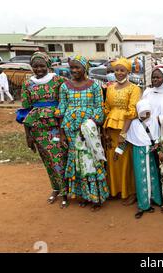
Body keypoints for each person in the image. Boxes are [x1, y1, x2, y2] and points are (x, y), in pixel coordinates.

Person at [58, 55, 109, 211]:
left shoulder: (94, 86)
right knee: (78, 162)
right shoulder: (64, 87)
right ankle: (85, 195)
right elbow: (61, 109)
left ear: (85, 68)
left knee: (91, 161)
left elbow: (99, 108)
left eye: (77, 67)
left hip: (88, 130)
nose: (74, 70)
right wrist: (61, 133)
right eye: (71, 67)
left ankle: (96, 197)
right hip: (70, 129)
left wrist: (89, 126)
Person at [20, 52, 68, 208]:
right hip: (37, 128)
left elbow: (65, 102)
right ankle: (55, 189)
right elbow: (25, 110)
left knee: (59, 159)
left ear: (48, 65)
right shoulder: (28, 84)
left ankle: (66, 191)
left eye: (42, 66)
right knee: (47, 160)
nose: (38, 69)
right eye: (35, 66)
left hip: (55, 127)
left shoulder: (59, 80)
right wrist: (28, 136)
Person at [103, 58, 142, 206]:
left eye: (122, 70)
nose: (119, 73)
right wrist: (105, 130)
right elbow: (106, 108)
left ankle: (129, 192)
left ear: (128, 71)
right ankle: (115, 190)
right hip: (111, 128)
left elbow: (132, 111)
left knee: (126, 161)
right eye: (116, 70)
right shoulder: (111, 88)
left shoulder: (134, 89)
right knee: (113, 160)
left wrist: (123, 133)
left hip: (126, 128)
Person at [126, 99, 162, 219]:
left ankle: (154, 199)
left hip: (150, 152)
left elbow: (157, 137)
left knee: (152, 176)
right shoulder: (134, 124)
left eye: (148, 112)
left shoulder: (154, 121)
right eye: (143, 113)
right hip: (138, 152)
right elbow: (128, 139)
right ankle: (143, 205)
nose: (146, 115)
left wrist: (156, 144)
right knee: (141, 177)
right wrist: (118, 151)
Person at [142, 68, 163, 142]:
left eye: (158, 77)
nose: (155, 79)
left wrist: (159, 119)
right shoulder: (147, 92)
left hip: (162, 130)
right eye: (153, 77)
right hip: (146, 130)